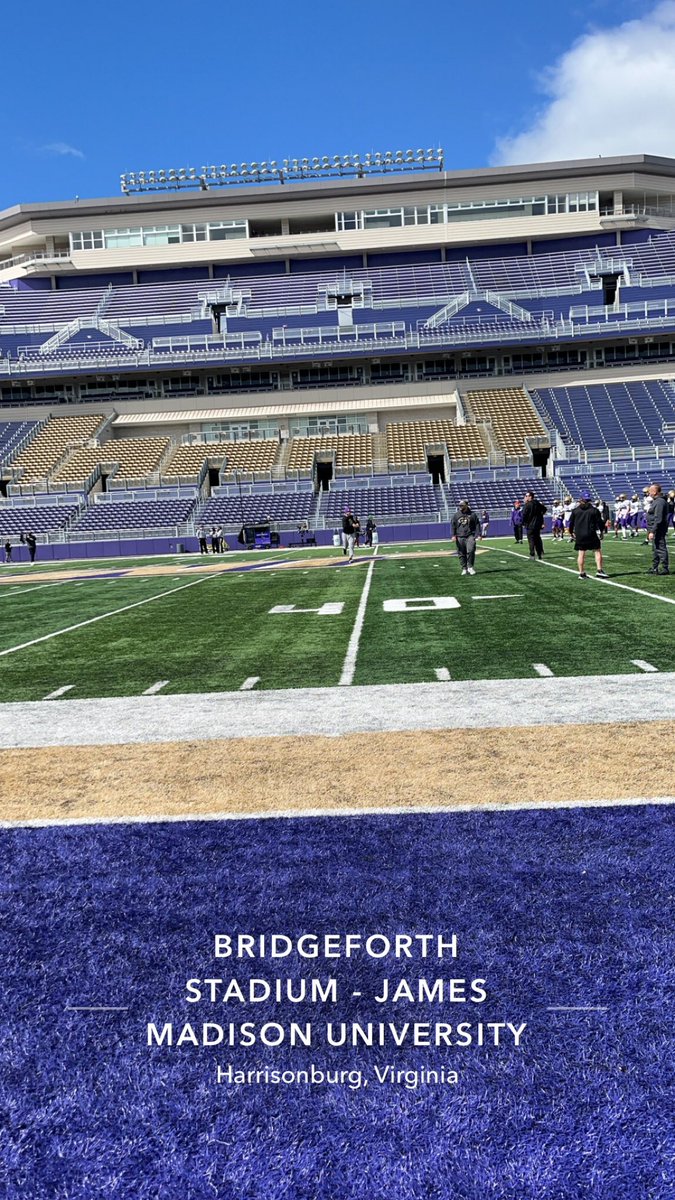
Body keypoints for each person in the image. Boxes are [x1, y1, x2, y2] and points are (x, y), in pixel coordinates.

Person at [569, 490, 608, 579]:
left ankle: (581, 573)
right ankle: (599, 570)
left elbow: (571, 524)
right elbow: (600, 523)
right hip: (591, 534)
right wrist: (602, 532)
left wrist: (571, 533)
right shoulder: (594, 510)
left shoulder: (575, 511)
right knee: (597, 551)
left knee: (581, 553)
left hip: (579, 535)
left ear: (581, 499)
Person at [451, 499, 481, 576]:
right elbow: (453, 525)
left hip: (470, 535)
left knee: (471, 550)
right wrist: (453, 535)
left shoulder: (472, 514)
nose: (460, 507)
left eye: (462, 505)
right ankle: (464, 568)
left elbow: (477, 524)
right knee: (461, 553)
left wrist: (479, 534)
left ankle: (470, 567)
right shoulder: (456, 515)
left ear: (466, 505)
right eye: (460, 505)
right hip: (459, 536)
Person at [646, 483, 670, 575]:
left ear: (655, 491)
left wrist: (652, 531)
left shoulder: (659, 502)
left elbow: (658, 518)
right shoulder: (657, 501)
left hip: (658, 529)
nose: (648, 493)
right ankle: (654, 567)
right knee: (656, 548)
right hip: (655, 528)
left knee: (660, 547)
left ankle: (665, 568)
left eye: (650, 491)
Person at [522, 490, 546, 560]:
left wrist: (524, 523)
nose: (525, 497)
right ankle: (539, 554)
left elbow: (524, 515)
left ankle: (532, 554)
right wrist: (540, 516)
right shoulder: (537, 503)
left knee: (531, 540)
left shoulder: (527, 505)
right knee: (537, 539)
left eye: (526, 496)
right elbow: (544, 509)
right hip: (537, 525)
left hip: (530, 525)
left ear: (530, 497)